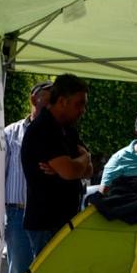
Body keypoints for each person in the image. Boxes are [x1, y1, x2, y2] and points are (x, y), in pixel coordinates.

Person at [20, 74, 90, 259]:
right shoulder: (44, 129)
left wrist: (80, 161)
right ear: (61, 101)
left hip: (65, 219)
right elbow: (69, 171)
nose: (83, 110)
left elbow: (88, 169)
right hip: (46, 224)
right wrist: (82, 159)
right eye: (79, 104)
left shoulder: (67, 129)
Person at [3, 81, 52, 273]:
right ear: (33, 99)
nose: (51, 107)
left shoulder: (59, 133)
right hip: (19, 214)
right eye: (47, 101)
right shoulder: (11, 133)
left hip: (47, 216)